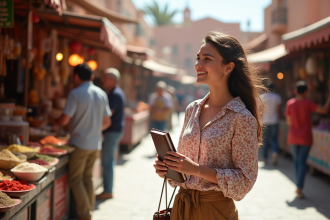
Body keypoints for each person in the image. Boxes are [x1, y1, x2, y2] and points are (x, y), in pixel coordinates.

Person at [153, 31, 263, 220]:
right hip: (181, 208)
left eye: (207, 59)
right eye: (198, 58)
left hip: (215, 212)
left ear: (228, 67)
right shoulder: (192, 109)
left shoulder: (242, 118)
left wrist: (196, 169)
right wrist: (169, 169)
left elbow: (245, 181)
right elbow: (182, 171)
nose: (198, 64)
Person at [54, 63, 111, 220]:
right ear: (92, 77)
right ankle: (88, 212)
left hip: (79, 143)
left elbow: (65, 119)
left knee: (75, 179)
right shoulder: (101, 93)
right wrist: (94, 130)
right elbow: (107, 122)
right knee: (88, 178)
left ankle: (85, 215)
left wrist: (54, 121)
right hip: (95, 143)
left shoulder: (75, 93)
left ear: (76, 76)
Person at [285, 81, 330, 199]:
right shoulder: (309, 103)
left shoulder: (290, 103)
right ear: (305, 92)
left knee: (296, 161)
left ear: (295, 91)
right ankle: (299, 188)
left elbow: (289, 122)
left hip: (293, 137)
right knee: (302, 162)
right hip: (305, 137)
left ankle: (298, 186)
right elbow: (324, 110)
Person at [96, 68, 126, 200]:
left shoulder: (114, 94)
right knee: (109, 161)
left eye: (105, 77)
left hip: (112, 131)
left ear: (112, 79)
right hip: (114, 131)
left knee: (108, 162)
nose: (102, 80)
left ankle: (107, 190)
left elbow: (109, 114)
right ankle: (107, 188)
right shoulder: (116, 92)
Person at [260, 83, 282, 165]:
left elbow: (261, 110)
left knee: (265, 140)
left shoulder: (263, 97)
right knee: (274, 139)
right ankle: (275, 152)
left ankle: (265, 158)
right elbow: (279, 110)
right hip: (274, 120)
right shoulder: (277, 97)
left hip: (265, 121)